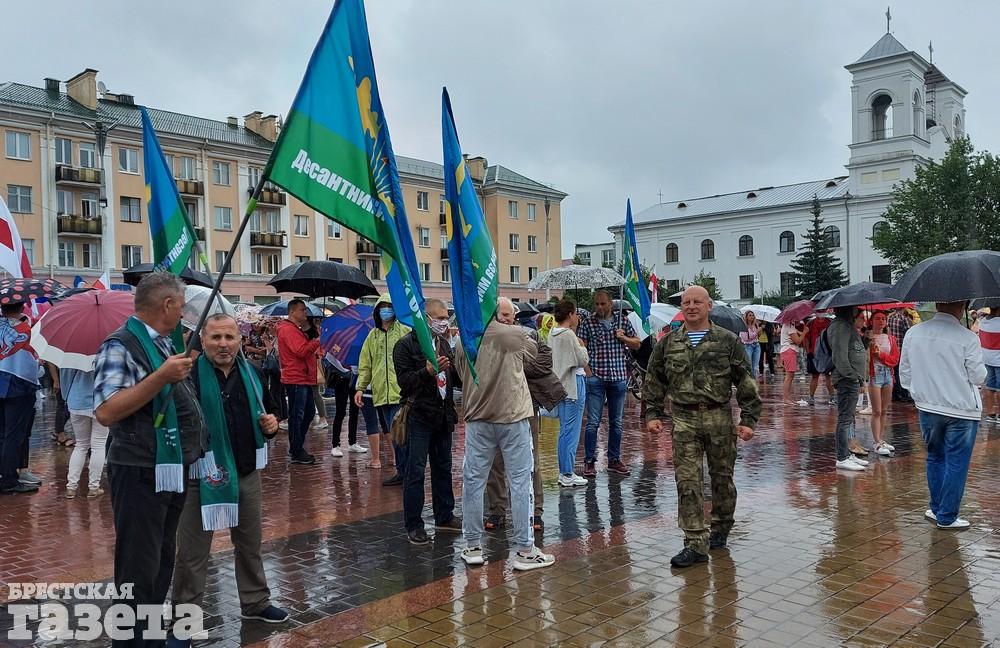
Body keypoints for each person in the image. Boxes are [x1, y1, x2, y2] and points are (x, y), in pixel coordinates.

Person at [94, 272, 208, 646]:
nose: (184, 314)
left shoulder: (160, 344)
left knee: (160, 559)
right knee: (138, 566)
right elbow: (107, 410)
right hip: (140, 468)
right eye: (181, 306)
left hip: (167, 467)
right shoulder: (121, 345)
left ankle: (150, 636)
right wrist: (161, 376)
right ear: (167, 304)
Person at [170, 315, 287, 643]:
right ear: (203, 340)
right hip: (200, 473)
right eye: (216, 337)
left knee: (249, 544)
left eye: (229, 337)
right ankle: (184, 619)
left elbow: (271, 414)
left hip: (246, 470)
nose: (223, 344)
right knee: (192, 554)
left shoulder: (253, 374)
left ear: (240, 340)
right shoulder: (187, 377)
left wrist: (272, 426)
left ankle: (256, 602)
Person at [643, 285, 761, 568]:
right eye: (686, 302)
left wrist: (748, 420)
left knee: (722, 479)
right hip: (684, 419)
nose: (691, 306)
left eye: (697, 302)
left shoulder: (727, 341)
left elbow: (746, 380)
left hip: (719, 418)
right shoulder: (668, 343)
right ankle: (694, 541)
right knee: (687, 481)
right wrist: (652, 413)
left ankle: (721, 527)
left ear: (709, 306)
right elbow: (654, 380)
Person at [456, 312, 554, 571]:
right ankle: (525, 550)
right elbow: (538, 357)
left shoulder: (464, 339)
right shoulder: (515, 335)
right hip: (513, 416)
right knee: (521, 482)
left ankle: (472, 546)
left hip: (478, 417)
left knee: (473, 482)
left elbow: (460, 372)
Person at [901, 301, 987, 529]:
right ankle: (947, 516)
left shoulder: (913, 333)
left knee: (935, 457)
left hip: (928, 407)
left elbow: (905, 373)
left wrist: (921, 393)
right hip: (961, 410)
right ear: (961, 306)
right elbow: (978, 377)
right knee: (956, 461)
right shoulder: (967, 337)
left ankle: (936, 507)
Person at [483, 298, 564, 532]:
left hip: (526, 407)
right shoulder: (485, 338)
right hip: (494, 407)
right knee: (495, 463)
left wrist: (512, 365)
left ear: (515, 316)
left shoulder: (530, 334)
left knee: (531, 461)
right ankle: (497, 510)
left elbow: (545, 362)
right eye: (500, 314)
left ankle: (535, 511)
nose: (505, 319)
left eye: (508, 314)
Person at [393, 299, 462, 544]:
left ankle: (445, 515)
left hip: (443, 414)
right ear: (427, 318)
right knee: (415, 471)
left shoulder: (443, 343)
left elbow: (454, 378)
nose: (444, 322)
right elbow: (404, 383)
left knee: (443, 467)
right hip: (419, 416)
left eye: (446, 318)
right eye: (440, 318)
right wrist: (428, 372)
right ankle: (414, 524)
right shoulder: (405, 345)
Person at [575, 289, 641, 477]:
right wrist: (588, 373)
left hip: (618, 377)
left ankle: (614, 459)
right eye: (597, 304)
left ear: (611, 304)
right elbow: (581, 348)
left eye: (603, 304)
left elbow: (637, 343)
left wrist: (624, 338)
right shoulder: (588, 322)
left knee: (617, 422)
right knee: (593, 422)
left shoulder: (622, 321)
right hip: (597, 377)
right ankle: (589, 461)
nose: (600, 307)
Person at [355, 293, 410, 486]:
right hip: (380, 394)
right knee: (394, 436)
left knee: (400, 435)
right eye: (382, 307)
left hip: (400, 393)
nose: (386, 310)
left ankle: (405, 472)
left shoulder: (404, 331)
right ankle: (403, 471)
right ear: (377, 310)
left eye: (389, 306)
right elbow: (365, 364)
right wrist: (360, 387)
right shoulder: (372, 336)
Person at [0, 301, 41, 494]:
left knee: (2, 434)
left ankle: (4, 475)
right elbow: (34, 358)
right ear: (22, 307)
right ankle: (9, 479)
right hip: (19, 386)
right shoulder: (27, 329)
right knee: (14, 434)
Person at [549, 299, 590, 486]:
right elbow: (582, 360)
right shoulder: (569, 335)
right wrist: (582, 346)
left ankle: (564, 471)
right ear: (570, 315)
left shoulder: (553, 333)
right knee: (571, 431)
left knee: (564, 430)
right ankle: (567, 472)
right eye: (575, 313)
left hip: (559, 384)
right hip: (574, 383)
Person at [276, 299, 321, 465]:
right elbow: (301, 351)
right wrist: (317, 341)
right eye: (302, 310)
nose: (305, 313)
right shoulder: (288, 329)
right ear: (292, 311)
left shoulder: (295, 329)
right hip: (296, 377)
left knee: (307, 413)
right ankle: (296, 449)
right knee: (298, 415)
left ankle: (297, 446)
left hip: (303, 377)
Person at [827, 306, 870, 472]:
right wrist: (853, 376)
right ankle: (842, 457)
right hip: (846, 380)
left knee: (849, 418)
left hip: (851, 379)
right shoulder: (840, 327)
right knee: (845, 419)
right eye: (854, 308)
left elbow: (855, 349)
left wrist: (866, 339)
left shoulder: (847, 326)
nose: (856, 310)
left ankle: (847, 453)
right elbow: (840, 357)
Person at [61, 366, 108, 498]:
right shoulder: (106, 354)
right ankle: (94, 487)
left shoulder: (72, 355)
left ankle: (71, 487)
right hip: (102, 401)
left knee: (81, 445)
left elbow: (65, 378)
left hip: (77, 400)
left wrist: (66, 397)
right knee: (98, 445)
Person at [867, 312, 900, 456]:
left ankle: (880, 438)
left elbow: (895, 359)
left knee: (884, 410)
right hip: (875, 375)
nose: (881, 321)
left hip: (888, 374)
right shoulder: (868, 338)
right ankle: (876, 441)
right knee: (877, 411)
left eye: (883, 319)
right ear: (871, 321)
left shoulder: (891, 339)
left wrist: (881, 355)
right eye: (877, 318)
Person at [805, 315, 834, 406]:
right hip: (814, 354)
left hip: (827, 354)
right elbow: (806, 338)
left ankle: (832, 397)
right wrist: (808, 352)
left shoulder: (830, 322)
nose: (821, 313)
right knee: (815, 376)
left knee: (829, 376)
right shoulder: (810, 323)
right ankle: (811, 396)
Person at [977, 309, 1000, 423]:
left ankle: (990, 414)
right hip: (998, 360)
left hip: (987, 359)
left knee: (989, 386)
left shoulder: (983, 322)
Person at [888, 308, 913, 402]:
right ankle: (904, 394)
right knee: (901, 371)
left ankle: (895, 394)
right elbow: (908, 334)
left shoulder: (889, 318)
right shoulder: (903, 318)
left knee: (894, 372)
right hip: (901, 349)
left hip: (892, 348)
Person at [779, 319, 805, 406]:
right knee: (789, 376)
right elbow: (798, 341)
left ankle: (788, 397)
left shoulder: (790, 326)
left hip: (790, 351)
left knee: (790, 376)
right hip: (789, 350)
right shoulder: (789, 326)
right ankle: (786, 398)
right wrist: (804, 332)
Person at [739, 311, 761, 379]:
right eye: (750, 315)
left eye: (753, 315)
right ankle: (749, 380)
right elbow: (746, 338)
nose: (752, 317)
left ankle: (754, 380)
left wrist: (759, 332)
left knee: (755, 366)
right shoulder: (743, 326)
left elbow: (757, 336)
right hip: (748, 346)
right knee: (749, 365)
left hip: (756, 345)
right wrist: (757, 332)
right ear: (746, 317)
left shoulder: (755, 325)